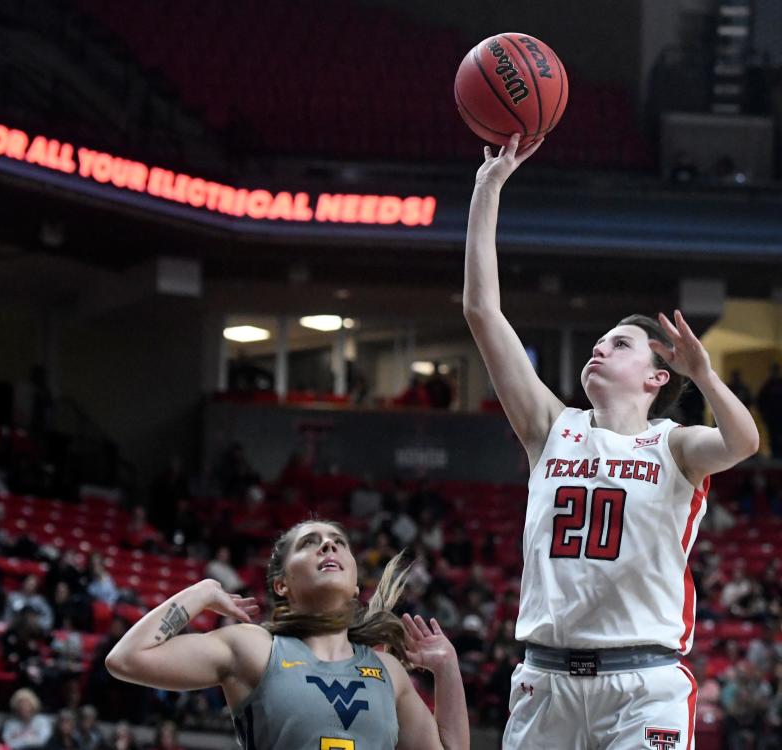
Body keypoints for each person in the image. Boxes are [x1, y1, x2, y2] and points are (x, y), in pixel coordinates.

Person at [463, 132, 761, 748]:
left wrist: (705, 373)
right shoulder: (551, 428)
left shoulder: (675, 447)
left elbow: (743, 442)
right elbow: (482, 312)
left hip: (644, 682)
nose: (600, 346)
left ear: (658, 377)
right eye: (599, 341)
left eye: (619, 343)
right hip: (545, 681)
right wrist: (485, 190)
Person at [105, 519, 469, 749]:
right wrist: (201, 592)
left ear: (356, 585)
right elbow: (126, 659)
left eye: (338, 541)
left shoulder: (389, 671)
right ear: (281, 584)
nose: (329, 545)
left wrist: (448, 672)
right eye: (310, 542)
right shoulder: (255, 648)